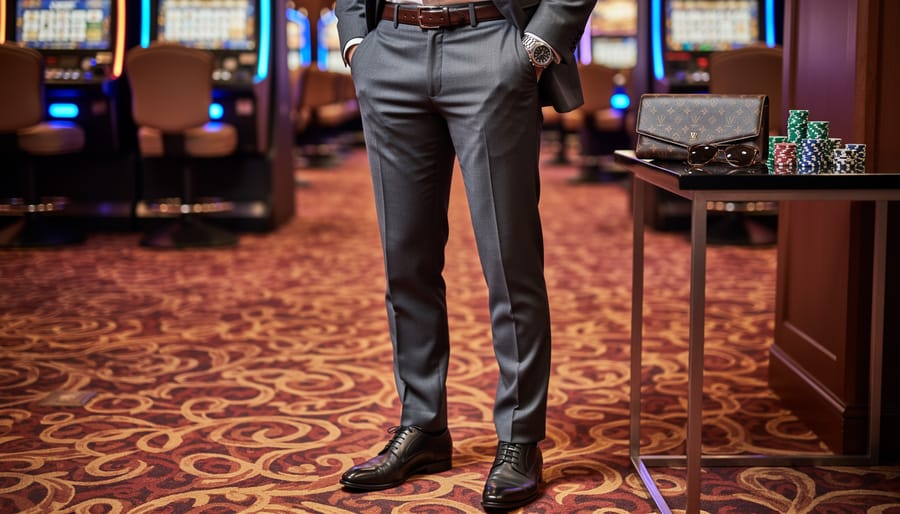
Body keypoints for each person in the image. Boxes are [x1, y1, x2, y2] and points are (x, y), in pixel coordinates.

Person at [335, 0, 593, 508]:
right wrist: (356, 43)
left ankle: (520, 437)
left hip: (491, 44)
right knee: (405, 261)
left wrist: (539, 44)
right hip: (390, 48)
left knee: (510, 260)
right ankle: (423, 426)